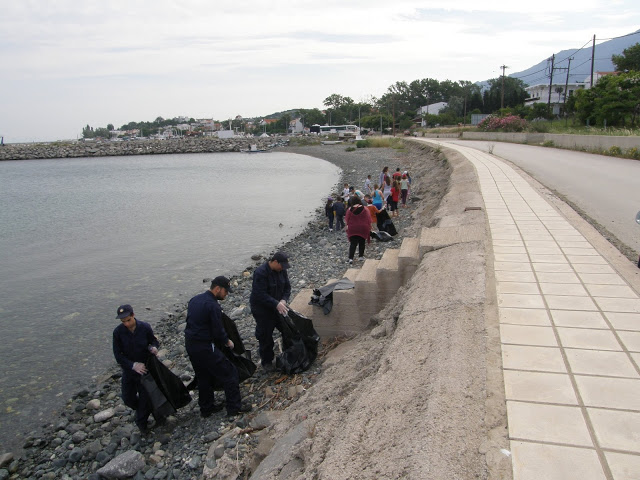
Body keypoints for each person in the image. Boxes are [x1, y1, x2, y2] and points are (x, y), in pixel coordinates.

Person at [184, 276, 251, 418]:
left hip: (191, 345)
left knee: (203, 376)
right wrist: (228, 342)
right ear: (217, 289)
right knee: (230, 373)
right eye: (226, 292)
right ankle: (234, 408)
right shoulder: (212, 305)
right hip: (205, 347)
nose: (226, 295)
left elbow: (191, 321)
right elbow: (217, 329)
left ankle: (206, 409)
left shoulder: (195, 300)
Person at [112, 304, 160, 432]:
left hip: (145, 370)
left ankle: (142, 424)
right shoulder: (118, 332)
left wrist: (154, 347)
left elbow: (154, 341)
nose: (126, 324)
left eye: (128, 320)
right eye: (123, 322)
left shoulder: (144, 327)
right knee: (128, 398)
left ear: (133, 315)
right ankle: (147, 409)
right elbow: (118, 355)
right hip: (129, 370)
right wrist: (132, 365)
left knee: (145, 397)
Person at [250, 252, 292, 370]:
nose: (283, 268)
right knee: (265, 335)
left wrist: (284, 300)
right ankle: (267, 361)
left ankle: (288, 354)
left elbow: (287, 287)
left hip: (279, 306)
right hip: (262, 309)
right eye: (281, 266)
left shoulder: (282, 271)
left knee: (287, 329)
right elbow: (259, 294)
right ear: (274, 262)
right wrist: (275, 303)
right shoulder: (260, 273)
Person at [345, 196, 372, 264]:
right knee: (362, 242)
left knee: (353, 244)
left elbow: (346, 220)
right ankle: (361, 256)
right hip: (363, 228)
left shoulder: (349, 209)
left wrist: (347, 227)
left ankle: (351, 258)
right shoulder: (365, 209)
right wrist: (369, 226)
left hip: (353, 228)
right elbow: (368, 219)